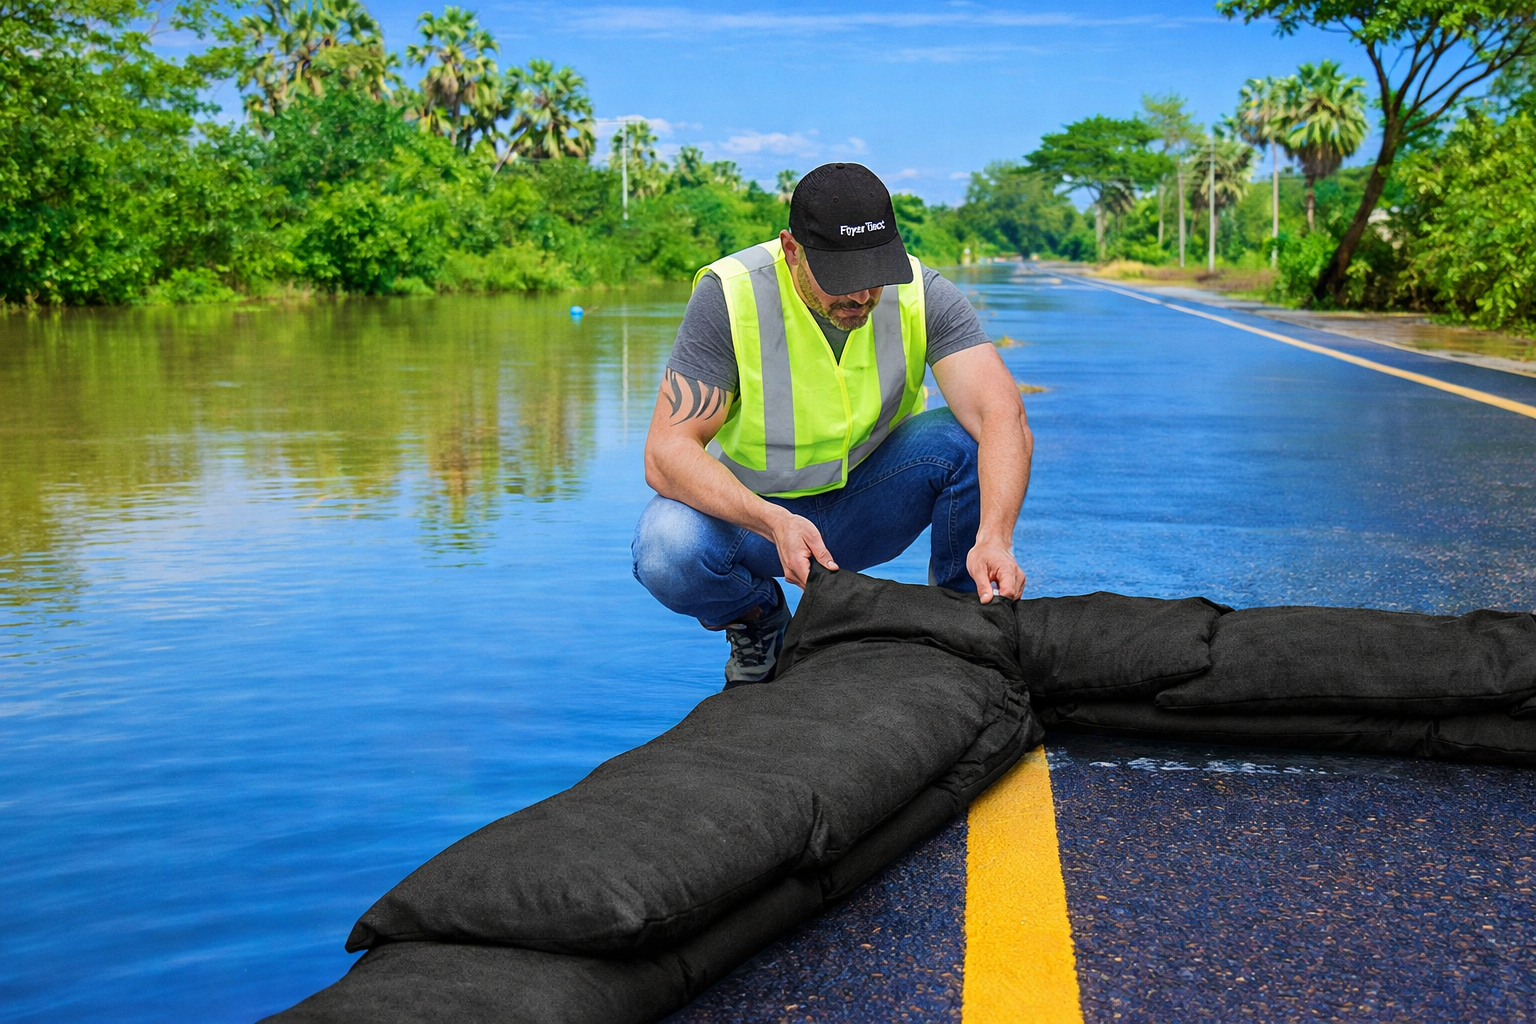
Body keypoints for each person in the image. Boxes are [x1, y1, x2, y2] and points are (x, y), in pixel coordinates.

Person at [632, 161, 1033, 686]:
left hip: (870, 505)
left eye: (874, 275)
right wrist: (771, 521)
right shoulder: (731, 296)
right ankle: (759, 618)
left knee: (964, 437)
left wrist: (995, 536)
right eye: (842, 279)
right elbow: (666, 453)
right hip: (758, 523)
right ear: (792, 250)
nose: (862, 296)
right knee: (666, 547)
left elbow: (1003, 414)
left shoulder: (922, 292)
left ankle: (963, 618)